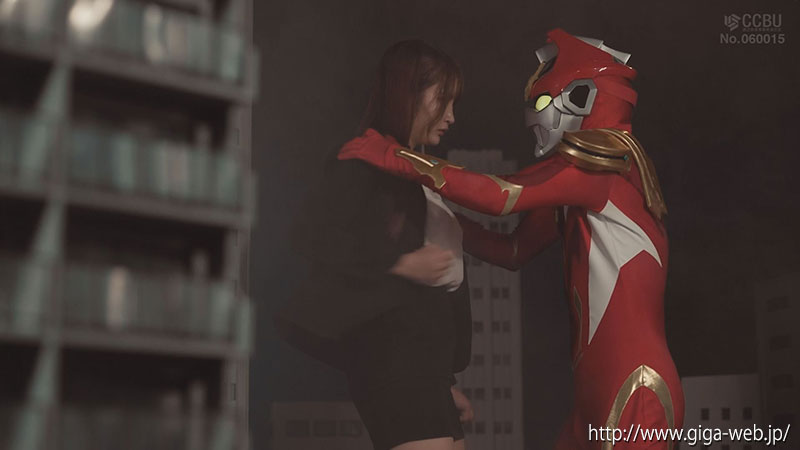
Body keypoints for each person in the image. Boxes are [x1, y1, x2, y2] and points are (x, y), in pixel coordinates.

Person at [338, 29, 685, 450]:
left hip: (634, 385)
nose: (532, 116)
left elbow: (501, 195)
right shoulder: (581, 185)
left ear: (580, 97)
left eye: (540, 102)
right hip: (594, 393)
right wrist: (436, 216)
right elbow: (513, 250)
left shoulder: (603, 165)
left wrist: (396, 157)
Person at [275, 40, 474, 450]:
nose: (451, 116)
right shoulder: (362, 159)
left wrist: (444, 381)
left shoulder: (415, 170)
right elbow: (311, 234)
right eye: (443, 99)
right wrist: (400, 263)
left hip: (426, 368)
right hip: (396, 359)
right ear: (409, 93)